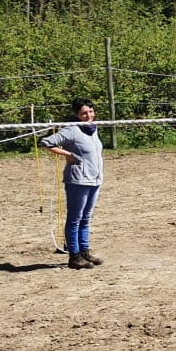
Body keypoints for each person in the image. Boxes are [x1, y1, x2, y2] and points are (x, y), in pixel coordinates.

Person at [41, 97, 105, 269]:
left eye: (90, 111)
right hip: (78, 180)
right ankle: (74, 256)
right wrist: (67, 154)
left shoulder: (93, 129)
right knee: (75, 219)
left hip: (94, 179)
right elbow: (46, 142)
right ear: (77, 114)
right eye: (84, 113)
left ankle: (84, 252)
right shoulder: (72, 130)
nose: (88, 115)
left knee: (86, 218)